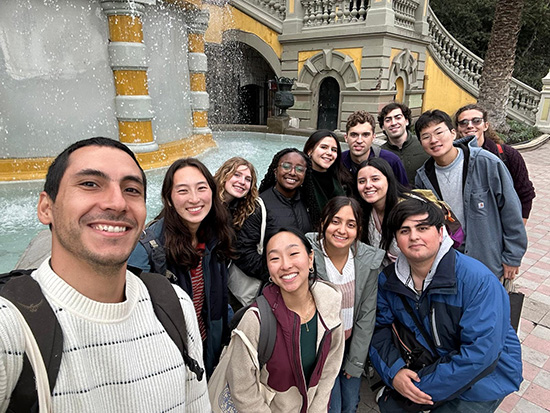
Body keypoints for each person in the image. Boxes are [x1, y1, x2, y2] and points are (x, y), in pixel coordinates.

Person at [0, 137, 209, 412]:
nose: (117, 202)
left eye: (131, 189)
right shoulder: (10, 329)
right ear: (46, 208)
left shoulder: (175, 306)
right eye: (89, 184)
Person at [369, 196, 522, 412]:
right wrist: (395, 373)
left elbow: (480, 353)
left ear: (441, 233)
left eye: (422, 228)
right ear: (396, 238)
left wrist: (415, 388)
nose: (414, 237)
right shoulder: (389, 280)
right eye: (404, 231)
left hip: (484, 379)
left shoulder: (477, 281)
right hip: (432, 363)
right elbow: (376, 329)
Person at [128, 157, 234, 377]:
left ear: (213, 193)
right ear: (168, 198)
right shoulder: (147, 249)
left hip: (209, 345)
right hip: (170, 357)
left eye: (201, 188)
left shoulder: (216, 236)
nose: (194, 199)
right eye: (183, 191)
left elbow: (218, 295)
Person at [225, 228, 345, 412]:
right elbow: (241, 388)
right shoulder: (256, 320)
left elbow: (329, 370)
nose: (286, 265)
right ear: (269, 270)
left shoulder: (329, 304)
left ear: (310, 258)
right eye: (274, 258)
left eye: (293, 253)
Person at [414, 109, 527, 280]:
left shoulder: (486, 163)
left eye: (439, 132)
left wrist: (513, 256)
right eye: (426, 136)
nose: (434, 140)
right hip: (449, 260)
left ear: (453, 133)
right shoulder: (423, 177)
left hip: (487, 260)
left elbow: (511, 210)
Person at [306, 197, 385, 413]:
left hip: (350, 346)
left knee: (350, 404)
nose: (342, 230)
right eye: (335, 221)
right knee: (332, 406)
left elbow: (366, 315)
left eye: (350, 224)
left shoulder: (366, 262)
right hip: (321, 349)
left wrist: (356, 361)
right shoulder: (307, 255)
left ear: (359, 229)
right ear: (323, 223)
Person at [235, 148, 318, 281]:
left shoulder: (308, 203)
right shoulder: (259, 205)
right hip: (271, 284)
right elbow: (243, 252)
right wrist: (277, 274)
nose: (292, 172)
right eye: (286, 166)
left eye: (299, 169)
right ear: (275, 171)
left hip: (302, 282)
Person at [454, 103, 535, 224]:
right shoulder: (454, 157)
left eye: (476, 121)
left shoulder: (508, 155)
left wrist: (519, 228)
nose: (470, 126)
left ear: (486, 125)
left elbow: (525, 193)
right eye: (463, 122)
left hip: (499, 224)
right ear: (457, 128)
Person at [356, 157, 409, 267]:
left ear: (388, 179)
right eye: (362, 181)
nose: (368, 185)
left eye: (375, 179)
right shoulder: (366, 213)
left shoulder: (409, 209)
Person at [342, 110, 408, 187]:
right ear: (346, 138)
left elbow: (405, 194)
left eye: (365, 135)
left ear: (373, 137)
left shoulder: (391, 161)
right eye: (354, 135)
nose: (359, 140)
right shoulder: (338, 162)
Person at [303, 129, 353, 215]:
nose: (329, 153)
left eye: (334, 150)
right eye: (323, 147)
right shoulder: (300, 179)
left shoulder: (343, 179)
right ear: (310, 150)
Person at [378, 102, 429, 184]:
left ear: (407, 121)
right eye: (388, 120)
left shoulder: (423, 145)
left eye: (398, 118)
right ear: (383, 127)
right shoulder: (379, 154)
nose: (393, 123)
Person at [214, 156, 259, 231]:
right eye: (237, 175)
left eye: (248, 179)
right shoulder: (208, 201)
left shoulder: (246, 209)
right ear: (224, 175)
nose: (242, 182)